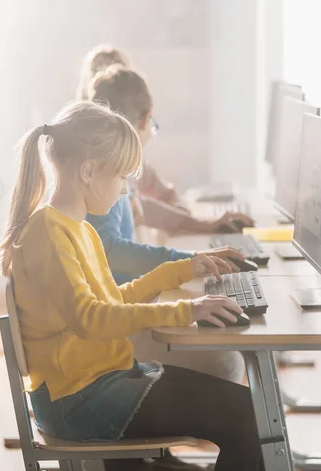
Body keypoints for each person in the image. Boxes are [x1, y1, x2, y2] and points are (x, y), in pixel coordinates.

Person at [0, 101, 266, 471]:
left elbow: (111, 302)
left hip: (104, 382)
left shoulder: (79, 229)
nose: (125, 191)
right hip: (80, 402)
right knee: (249, 420)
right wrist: (186, 311)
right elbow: (91, 319)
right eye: (121, 177)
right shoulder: (48, 234)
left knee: (253, 410)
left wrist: (183, 268)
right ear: (89, 171)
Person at [87, 66, 246, 382]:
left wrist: (201, 229)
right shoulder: (106, 174)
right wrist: (184, 261)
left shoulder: (109, 168)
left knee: (222, 331)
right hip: (116, 325)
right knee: (228, 359)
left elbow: (140, 209)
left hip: (124, 309)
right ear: (144, 120)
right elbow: (110, 248)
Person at [79, 44, 253, 233]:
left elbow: (156, 189)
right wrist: (196, 224)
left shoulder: (126, 158)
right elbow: (135, 210)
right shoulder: (97, 167)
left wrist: (186, 215)